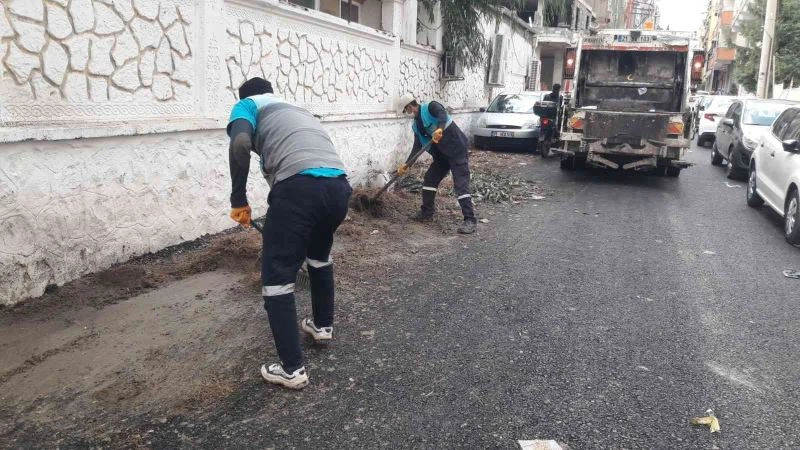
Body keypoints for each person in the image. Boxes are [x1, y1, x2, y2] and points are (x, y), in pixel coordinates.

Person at [227, 77, 352, 390]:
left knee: (277, 277)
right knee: (319, 257)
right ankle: (322, 326)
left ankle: (291, 369)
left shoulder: (247, 105)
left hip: (298, 188)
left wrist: (238, 199)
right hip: (338, 186)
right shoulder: (296, 109)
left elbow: (240, 144)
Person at [396, 94, 477, 234]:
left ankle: (470, 220)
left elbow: (442, 114)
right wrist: (407, 164)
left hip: (456, 149)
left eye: (406, 110)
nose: (407, 113)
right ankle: (427, 212)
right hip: (441, 156)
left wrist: (440, 128)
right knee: (430, 179)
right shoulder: (416, 125)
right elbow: (417, 147)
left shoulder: (430, 107)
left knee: (460, 183)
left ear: (409, 106)